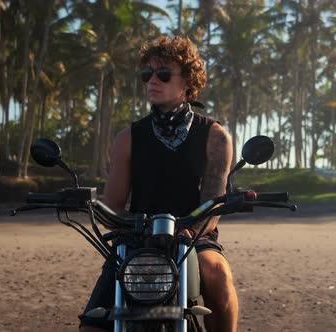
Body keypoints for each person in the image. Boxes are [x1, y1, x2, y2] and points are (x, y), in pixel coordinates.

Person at [78, 35, 238, 332]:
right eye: (147, 74)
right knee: (91, 326)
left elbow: (212, 205)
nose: (153, 80)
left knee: (217, 272)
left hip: (194, 234)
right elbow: (113, 205)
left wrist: (187, 231)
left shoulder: (215, 136)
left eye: (163, 74)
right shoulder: (128, 138)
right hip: (137, 235)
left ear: (188, 82)